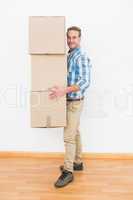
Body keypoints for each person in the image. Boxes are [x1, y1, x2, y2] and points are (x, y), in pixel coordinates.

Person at [49, 26, 92, 188]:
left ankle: (68, 172)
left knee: (68, 137)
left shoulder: (80, 56)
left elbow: (85, 82)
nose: (71, 40)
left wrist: (63, 91)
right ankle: (77, 162)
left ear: (79, 39)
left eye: (74, 37)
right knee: (75, 131)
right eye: (69, 37)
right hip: (68, 100)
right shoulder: (70, 55)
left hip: (74, 101)